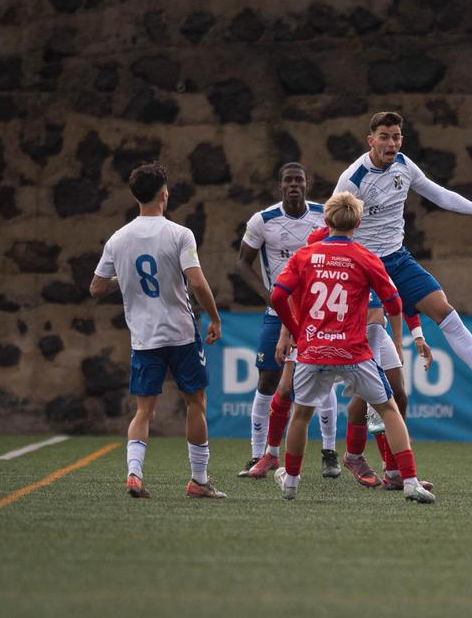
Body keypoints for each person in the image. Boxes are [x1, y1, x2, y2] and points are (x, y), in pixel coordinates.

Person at [334, 111, 472, 403]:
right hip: (364, 265)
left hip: (398, 259)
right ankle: (375, 404)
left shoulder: (403, 165)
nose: (391, 144)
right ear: (370, 140)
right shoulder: (353, 179)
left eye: (396, 137)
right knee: (375, 328)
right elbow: (331, 224)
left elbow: (440, 195)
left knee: (444, 311)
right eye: (384, 137)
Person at [269, 192, 435, 504]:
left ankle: (290, 483)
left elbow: (278, 296)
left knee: (301, 414)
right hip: (353, 351)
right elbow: (394, 302)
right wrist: (398, 343)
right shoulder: (365, 256)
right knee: (389, 410)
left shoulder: (305, 255)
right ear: (358, 223)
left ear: (326, 220)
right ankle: (410, 482)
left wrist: (297, 331)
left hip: (313, 349)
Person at [89, 161, 225, 499]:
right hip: (181, 333)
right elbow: (197, 282)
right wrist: (214, 317)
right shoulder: (180, 234)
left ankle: (134, 473)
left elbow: (96, 288)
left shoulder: (118, 239)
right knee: (196, 402)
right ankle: (198, 480)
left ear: (136, 196)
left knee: (144, 410)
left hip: (144, 337)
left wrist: (124, 276)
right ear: (164, 194)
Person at [233, 163, 339, 480]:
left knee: (325, 377)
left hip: (316, 313)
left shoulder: (324, 215)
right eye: (288, 180)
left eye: (299, 180)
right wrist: (270, 297)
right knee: (268, 380)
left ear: (307, 184)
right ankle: (258, 455)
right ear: (280, 186)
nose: (294, 184)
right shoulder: (262, 220)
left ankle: (330, 453)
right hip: (277, 312)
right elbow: (242, 263)